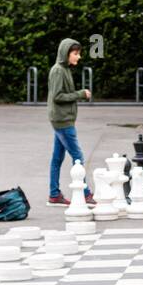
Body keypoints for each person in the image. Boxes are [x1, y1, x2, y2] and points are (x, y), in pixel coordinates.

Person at [47, 38, 94, 205]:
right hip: (63, 120)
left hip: (62, 119)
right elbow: (57, 97)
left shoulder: (64, 69)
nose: (78, 57)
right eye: (75, 53)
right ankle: (86, 193)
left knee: (57, 158)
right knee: (78, 156)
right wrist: (80, 94)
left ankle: (54, 194)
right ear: (66, 54)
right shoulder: (58, 71)